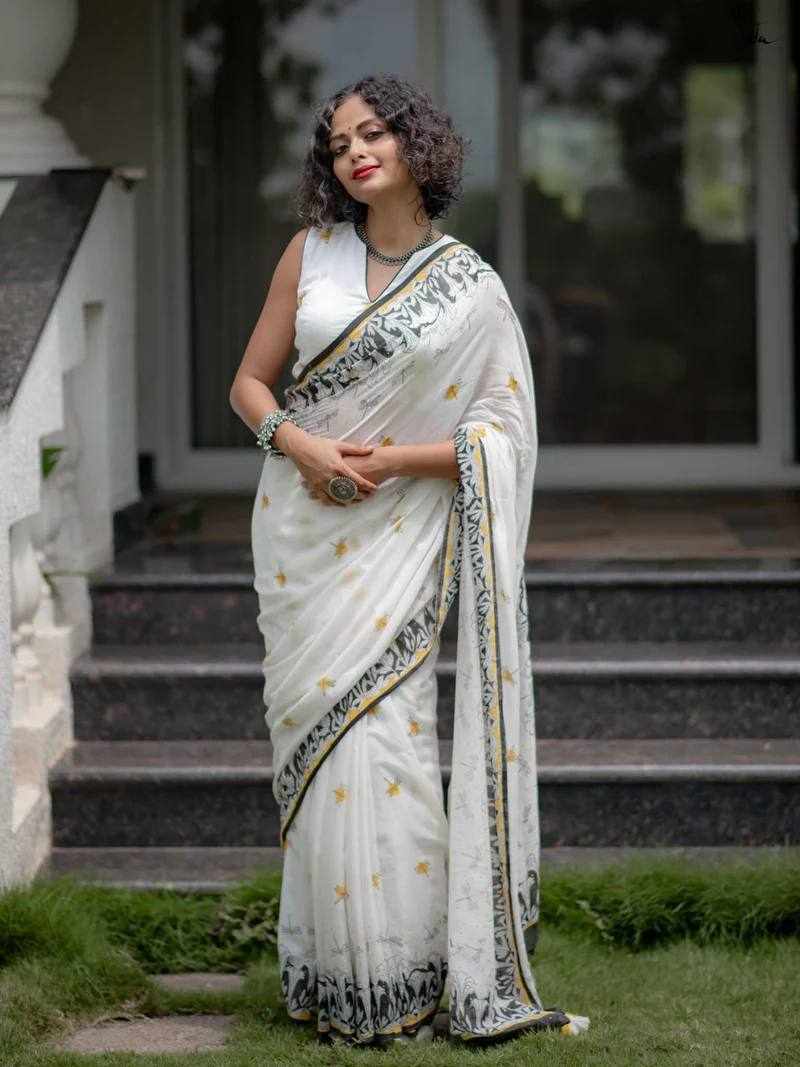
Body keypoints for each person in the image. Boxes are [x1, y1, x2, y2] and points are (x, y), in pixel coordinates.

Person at [229, 72, 590, 1048]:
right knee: (319, 751)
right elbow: (250, 383)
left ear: (413, 142)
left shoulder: (469, 286)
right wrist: (300, 445)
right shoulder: (310, 253)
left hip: (399, 538)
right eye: (338, 142)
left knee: (384, 744)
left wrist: (391, 461)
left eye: (372, 132)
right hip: (300, 537)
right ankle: (335, 976)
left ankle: (405, 972)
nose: (354, 152)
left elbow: (502, 433)